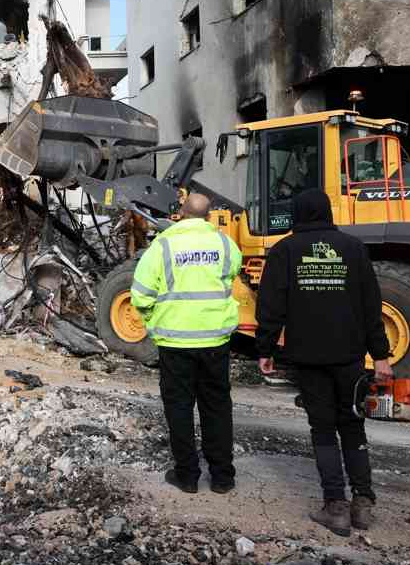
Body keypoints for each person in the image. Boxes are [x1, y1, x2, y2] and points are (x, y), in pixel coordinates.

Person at [256, 189, 392, 536]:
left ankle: (336, 506)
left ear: (297, 213)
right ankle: (363, 502)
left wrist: (265, 349)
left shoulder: (285, 250)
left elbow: (271, 306)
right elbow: (371, 306)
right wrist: (380, 355)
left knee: (323, 428)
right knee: (353, 424)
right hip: (349, 356)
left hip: (309, 356)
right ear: (328, 212)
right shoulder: (353, 248)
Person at [131, 193, 243, 494]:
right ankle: (222, 477)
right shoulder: (224, 244)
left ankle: (188, 476)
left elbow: (140, 295)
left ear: (181, 212)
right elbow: (233, 272)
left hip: (175, 341)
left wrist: (154, 321)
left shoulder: (163, 245)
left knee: (179, 408)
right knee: (217, 407)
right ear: (209, 215)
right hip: (215, 341)